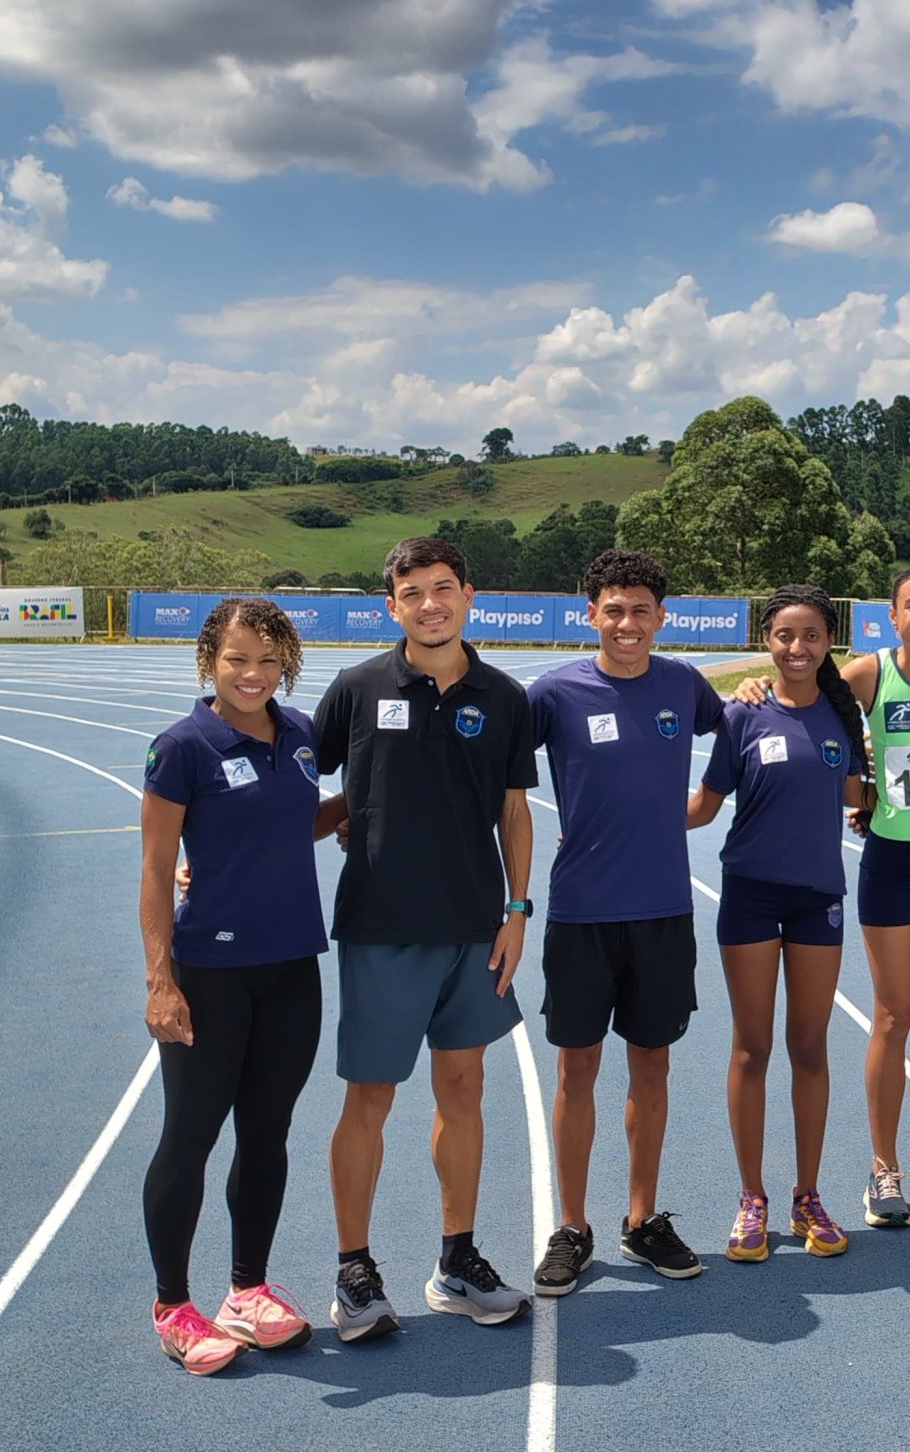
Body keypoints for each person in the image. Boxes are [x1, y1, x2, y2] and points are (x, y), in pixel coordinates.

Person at [314, 536, 537, 1338]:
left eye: (444, 588)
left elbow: (514, 810)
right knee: (370, 1097)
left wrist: (517, 913)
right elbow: (308, 787)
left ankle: (456, 1261)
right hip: (382, 925)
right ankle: (353, 1271)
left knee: (464, 1089)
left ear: (470, 595)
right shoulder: (357, 686)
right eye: (414, 592)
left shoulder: (506, 697)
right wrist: (227, 857)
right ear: (392, 606)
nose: (430, 603)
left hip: (475, 926)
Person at [735, 564, 910, 1228]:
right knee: (892, 1014)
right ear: (892, 615)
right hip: (891, 860)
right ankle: (882, 1168)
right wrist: (757, 686)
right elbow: (808, 695)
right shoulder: (869, 673)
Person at [139, 598, 344, 1374]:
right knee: (189, 1138)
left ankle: (246, 1291)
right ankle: (173, 1306)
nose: (253, 675)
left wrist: (352, 809)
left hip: (292, 966)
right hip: (210, 974)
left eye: (268, 660)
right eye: (237, 660)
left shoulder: (298, 736)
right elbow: (158, 872)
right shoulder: (183, 746)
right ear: (209, 662)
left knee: (266, 1134)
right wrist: (162, 981)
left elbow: (293, 824)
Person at [528, 548, 725, 1291]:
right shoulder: (554, 694)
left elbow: (738, 737)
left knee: (653, 1063)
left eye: (642, 610)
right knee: (576, 1067)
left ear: (661, 618)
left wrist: (696, 812)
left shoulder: (684, 684)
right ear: (592, 616)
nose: (628, 624)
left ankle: (642, 1220)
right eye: (614, 610)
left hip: (664, 912)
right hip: (581, 911)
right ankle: (572, 1226)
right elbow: (488, 778)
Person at [689, 585, 867, 1261]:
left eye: (812, 636)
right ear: (768, 640)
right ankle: (752, 1197)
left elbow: (863, 797)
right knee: (752, 1047)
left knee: (811, 1046)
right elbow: (705, 807)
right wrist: (614, 821)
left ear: (829, 642)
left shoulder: (840, 717)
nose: (797, 648)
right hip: (751, 896)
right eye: (785, 636)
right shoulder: (744, 713)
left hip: (820, 896)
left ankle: (808, 1195)